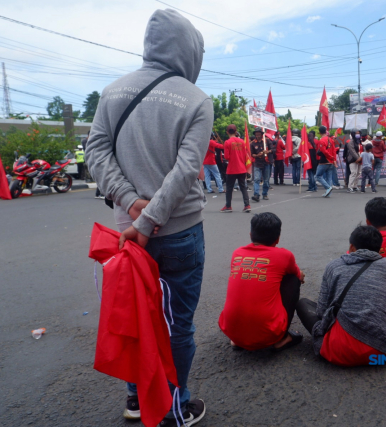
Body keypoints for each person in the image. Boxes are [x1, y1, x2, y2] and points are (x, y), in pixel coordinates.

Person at [85, 9, 211, 424]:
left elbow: (96, 152)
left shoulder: (112, 92)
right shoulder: (196, 99)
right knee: (176, 326)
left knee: (138, 316)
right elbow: (187, 169)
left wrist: (129, 205)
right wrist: (151, 218)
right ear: (190, 49)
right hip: (178, 233)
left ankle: (137, 398)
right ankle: (175, 409)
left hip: (126, 235)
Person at [295, 225, 386, 367]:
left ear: (352, 246)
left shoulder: (334, 265)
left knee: (303, 303)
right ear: (379, 248)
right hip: (379, 352)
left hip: (338, 351)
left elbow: (321, 311)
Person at [219, 212, 305, 351]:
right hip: (268, 335)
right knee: (292, 278)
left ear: (251, 235)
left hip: (230, 331)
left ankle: (239, 339)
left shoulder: (237, 253)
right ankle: (281, 338)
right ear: (277, 239)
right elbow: (299, 276)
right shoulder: (284, 255)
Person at [221, 124, 251, 213]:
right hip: (242, 168)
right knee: (243, 187)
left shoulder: (227, 142)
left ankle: (228, 206)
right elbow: (245, 155)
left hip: (232, 169)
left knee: (229, 188)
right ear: (235, 131)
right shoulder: (242, 141)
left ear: (227, 132)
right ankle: (247, 205)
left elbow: (226, 157)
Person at [250, 128, 275, 202]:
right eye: (256, 133)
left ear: (262, 134)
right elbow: (252, 154)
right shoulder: (253, 143)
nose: (257, 135)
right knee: (257, 179)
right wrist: (258, 155)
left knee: (266, 180)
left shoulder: (267, 141)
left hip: (266, 163)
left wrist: (267, 151)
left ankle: (265, 194)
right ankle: (256, 194)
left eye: (259, 133)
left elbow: (273, 150)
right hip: (257, 163)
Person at [315, 126, 336, 198]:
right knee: (329, 178)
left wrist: (330, 157)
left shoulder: (322, 140)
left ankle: (328, 188)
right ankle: (328, 192)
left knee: (317, 176)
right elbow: (334, 151)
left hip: (324, 161)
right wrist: (333, 159)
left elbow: (324, 151)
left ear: (319, 132)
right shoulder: (330, 139)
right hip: (331, 161)